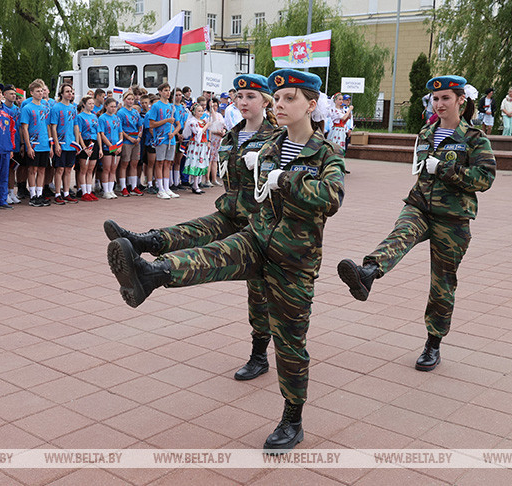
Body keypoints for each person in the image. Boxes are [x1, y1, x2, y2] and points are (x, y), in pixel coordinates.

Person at [106, 69, 344, 451]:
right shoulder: (268, 148)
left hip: (294, 260)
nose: (280, 105)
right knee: (211, 255)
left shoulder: (325, 153)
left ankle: (292, 418)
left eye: (288, 100)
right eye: (278, 98)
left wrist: (285, 180)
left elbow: (331, 198)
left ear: (311, 105)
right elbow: (254, 198)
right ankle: (151, 273)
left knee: (291, 344)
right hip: (257, 237)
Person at [105, 75, 278, 383]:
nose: (243, 102)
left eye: (251, 96)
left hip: (260, 221)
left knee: (259, 293)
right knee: (194, 229)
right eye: (239, 96)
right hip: (232, 211)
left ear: (265, 101)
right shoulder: (231, 136)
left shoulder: (277, 137)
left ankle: (259, 354)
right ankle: (145, 242)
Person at [337, 75, 495, 373]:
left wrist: (446, 168)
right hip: (420, 205)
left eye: (446, 98)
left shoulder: (474, 138)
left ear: (461, 100)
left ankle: (433, 344)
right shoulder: (425, 132)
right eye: (435, 99)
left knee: (442, 283)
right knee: (400, 234)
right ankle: (368, 272)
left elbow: (485, 178)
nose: (439, 103)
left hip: (453, 217)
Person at [20, 79, 52, 207]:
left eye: (41, 91)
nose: (40, 93)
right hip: (34, 144)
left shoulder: (45, 107)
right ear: (31, 93)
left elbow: (48, 125)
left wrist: (50, 144)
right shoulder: (27, 108)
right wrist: (28, 146)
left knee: (42, 169)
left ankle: (40, 194)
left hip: (44, 143)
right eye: (37, 91)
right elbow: (24, 128)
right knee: (32, 169)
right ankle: (33, 195)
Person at [48, 84, 81, 204]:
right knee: (59, 169)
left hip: (70, 143)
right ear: (61, 93)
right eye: (67, 91)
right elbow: (53, 127)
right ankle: (57, 193)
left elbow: (76, 126)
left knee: (68, 169)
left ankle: (66, 192)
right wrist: (56, 144)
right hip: (61, 143)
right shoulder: (56, 108)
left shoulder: (73, 108)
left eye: (71, 92)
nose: (69, 94)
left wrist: (77, 143)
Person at [146, 83, 178, 199]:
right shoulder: (156, 106)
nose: (168, 93)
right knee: (159, 162)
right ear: (160, 92)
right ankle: (160, 189)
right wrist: (166, 120)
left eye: (169, 90)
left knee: (168, 163)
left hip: (171, 138)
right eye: (165, 90)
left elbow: (177, 123)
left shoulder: (171, 106)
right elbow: (152, 124)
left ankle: (166, 187)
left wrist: (173, 133)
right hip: (160, 138)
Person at [117, 91, 143, 196]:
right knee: (124, 163)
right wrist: (128, 137)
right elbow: (120, 128)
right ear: (124, 100)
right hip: (127, 140)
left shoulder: (136, 112)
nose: (130, 101)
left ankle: (133, 186)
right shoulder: (121, 112)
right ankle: (123, 187)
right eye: (128, 99)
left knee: (134, 163)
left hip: (136, 140)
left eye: (132, 99)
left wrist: (139, 137)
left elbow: (140, 125)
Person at [181, 99, 209, 193]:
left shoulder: (202, 121)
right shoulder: (192, 122)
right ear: (194, 112)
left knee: (200, 163)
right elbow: (197, 133)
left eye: (202, 111)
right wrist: (207, 126)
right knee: (195, 163)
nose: (201, 113)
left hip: (202, 144)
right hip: (196, 145)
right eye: (199, 111)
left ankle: (196, 183)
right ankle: (195, 184)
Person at [75, 96, 100, 201]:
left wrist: (100, 149)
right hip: (85, 141)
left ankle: (89, 191)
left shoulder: (94, 117)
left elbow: (98, 132)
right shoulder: (80, 117)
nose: (92, 105)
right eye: (89, 103)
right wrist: (84, 147)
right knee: (83, 169)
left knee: (91, 169)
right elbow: (79, 133)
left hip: (94, 142)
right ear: (84, 104)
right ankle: (84, 191)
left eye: (93, 103)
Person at [98, 98, 123, 199]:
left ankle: (111, 189)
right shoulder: (102, 118)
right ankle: (105, 190)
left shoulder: (117, 118)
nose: (113, 108)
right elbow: (102, 134)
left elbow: (120, 132)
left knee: (113, 168)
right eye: (111, 106)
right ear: (106, 106)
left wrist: (120, 145)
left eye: (115, 107)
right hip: (108, 146)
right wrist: (111, 146)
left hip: (117, 146)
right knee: (107, 168)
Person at [205, 97, 225, 186]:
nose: (215, 107)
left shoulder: (219, 115)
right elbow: (208, 128)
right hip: (211, 138)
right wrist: (216, 132)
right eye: (213, 105)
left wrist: (223, 131)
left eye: (216, 105)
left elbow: (223, 125)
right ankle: (207, 179)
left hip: (218, 139)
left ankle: (214, 179)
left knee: (215, 159)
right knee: (209, 159)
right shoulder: (207, 115)